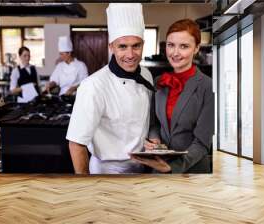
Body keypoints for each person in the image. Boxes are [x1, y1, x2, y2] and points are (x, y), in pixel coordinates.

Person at [66, 3, 155, 174]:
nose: (130, 54)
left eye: (136, 45)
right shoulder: (93, 85)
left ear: (143, 44)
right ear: (111, 47)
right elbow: (76, 143)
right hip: (107, 171)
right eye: (122, 46)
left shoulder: (147, 75)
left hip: (143, 167)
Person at [130, 19, 214, 173]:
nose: (175, 53)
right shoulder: (159, 82)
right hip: (159, 167)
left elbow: (202, 141)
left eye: (184, 46)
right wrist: (155, 140)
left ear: (196, 48)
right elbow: (155, 124)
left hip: (193, 172)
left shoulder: (208, 87)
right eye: (171, 45)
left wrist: (171, 167)